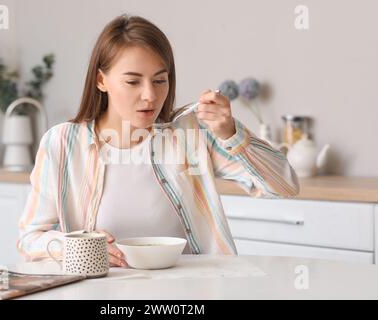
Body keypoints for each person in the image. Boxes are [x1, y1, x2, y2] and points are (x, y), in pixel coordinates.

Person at [17, 14, 299, 268]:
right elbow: (29, 239)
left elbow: (284, 186)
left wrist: (230, 133)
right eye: (133, 81)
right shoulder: (62, 142)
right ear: (101, 81)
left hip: (192, 292)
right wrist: (76, 246)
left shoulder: (191, 133)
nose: (150, 95)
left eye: (160, 80)